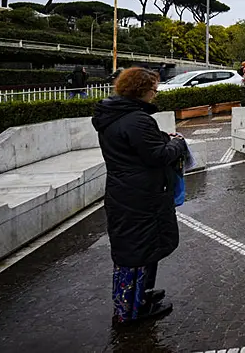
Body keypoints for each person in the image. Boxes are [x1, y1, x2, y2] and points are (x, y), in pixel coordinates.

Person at [92, 67, 188, 324]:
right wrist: (177, 143)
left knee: (139, 248)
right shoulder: (137, 120)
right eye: (154, 89)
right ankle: (131, 312)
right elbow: (157, 156)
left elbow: (139, 149)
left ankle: (140, 297)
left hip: (125, 191)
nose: (155, 94)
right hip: (141, 196)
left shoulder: (114, 117)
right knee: (137, 250)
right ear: (141, 90)